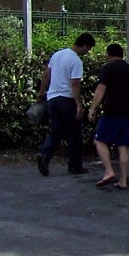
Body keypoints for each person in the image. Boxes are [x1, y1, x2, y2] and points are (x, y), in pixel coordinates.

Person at [36, 32, 97, 176]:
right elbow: (75, 83)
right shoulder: (76, 61)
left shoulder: (58, 54)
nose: (87, 52)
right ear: (84, 45)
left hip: (52, 99)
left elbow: (46, 74)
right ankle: (75, 165)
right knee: (74, 132)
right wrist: (79, 105)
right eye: (88, 49)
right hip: (66, 99)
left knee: (56, 130)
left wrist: (41, 91)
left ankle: (45, 156)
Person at [88, 43, 129, 190]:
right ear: (122, 54)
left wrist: (93, 108)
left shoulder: (108, 68)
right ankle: (123, 180)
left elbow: (101, 88)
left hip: (112, 111)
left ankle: (109, 171)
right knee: (123, 145)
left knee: (99, 140)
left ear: (108, 54)